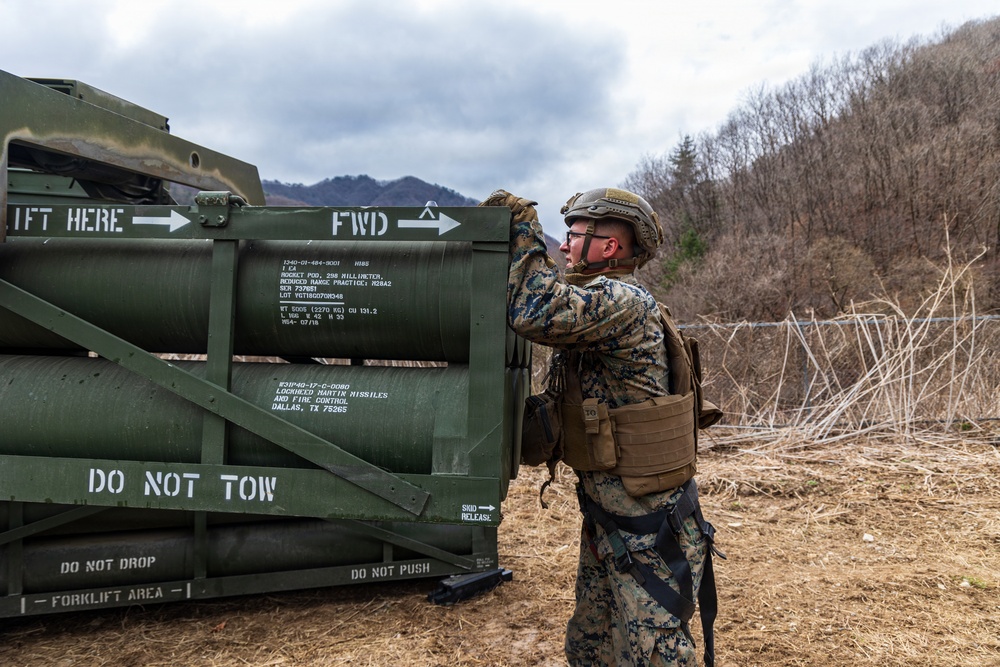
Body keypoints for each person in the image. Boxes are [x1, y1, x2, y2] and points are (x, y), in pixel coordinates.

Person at [481, 188, 720, 666]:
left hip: (646, 531)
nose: (564, 247)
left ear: (609, 247)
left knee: (656, 655)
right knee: (591, 648)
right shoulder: (599, 302)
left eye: (572, 235)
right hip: (612, 522)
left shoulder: (619, 299)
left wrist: (523, 227)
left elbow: (533, 310)